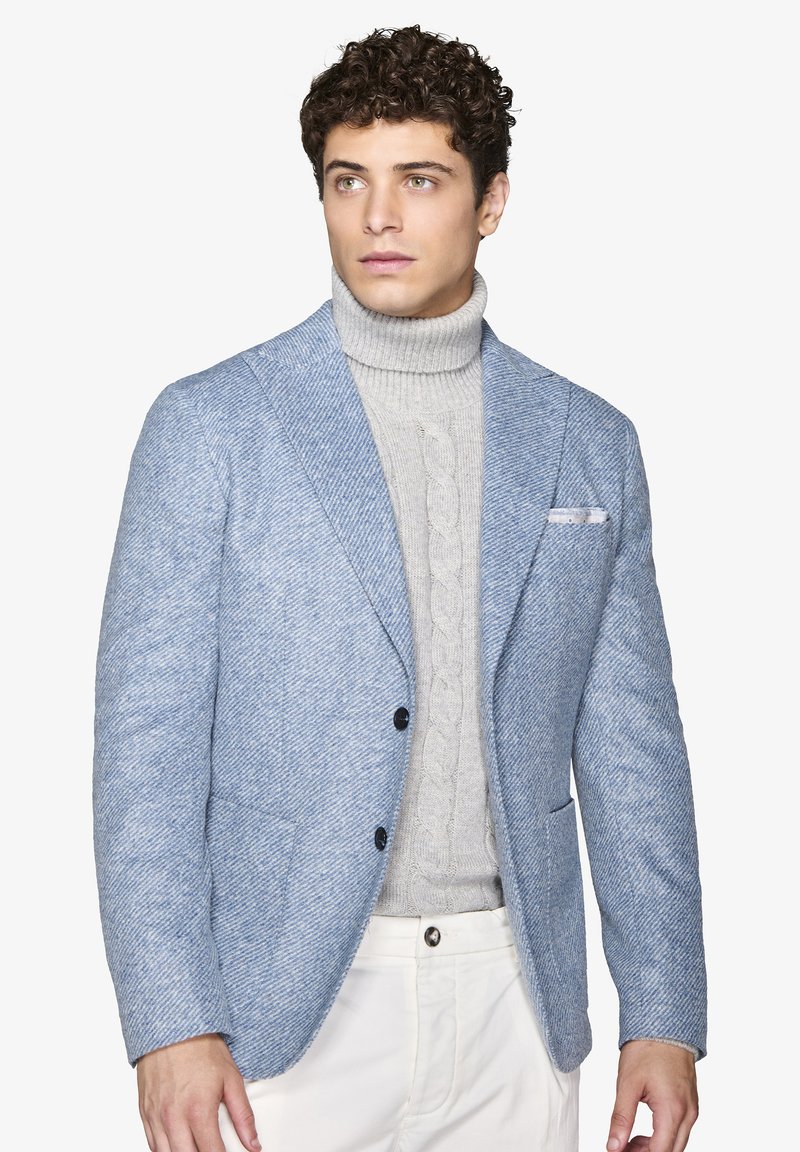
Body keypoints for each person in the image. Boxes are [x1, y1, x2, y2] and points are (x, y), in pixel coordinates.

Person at [93, 24, 707, 1152]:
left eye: (419, 180)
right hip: (281, 1016)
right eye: (348, 181)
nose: (377, 216)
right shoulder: (210, 426)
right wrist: (169, 1021)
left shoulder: (588, 440)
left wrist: (662, 1014)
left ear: (490, 201)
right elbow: (146, 750)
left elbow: (633, 750)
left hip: (517, 1003)